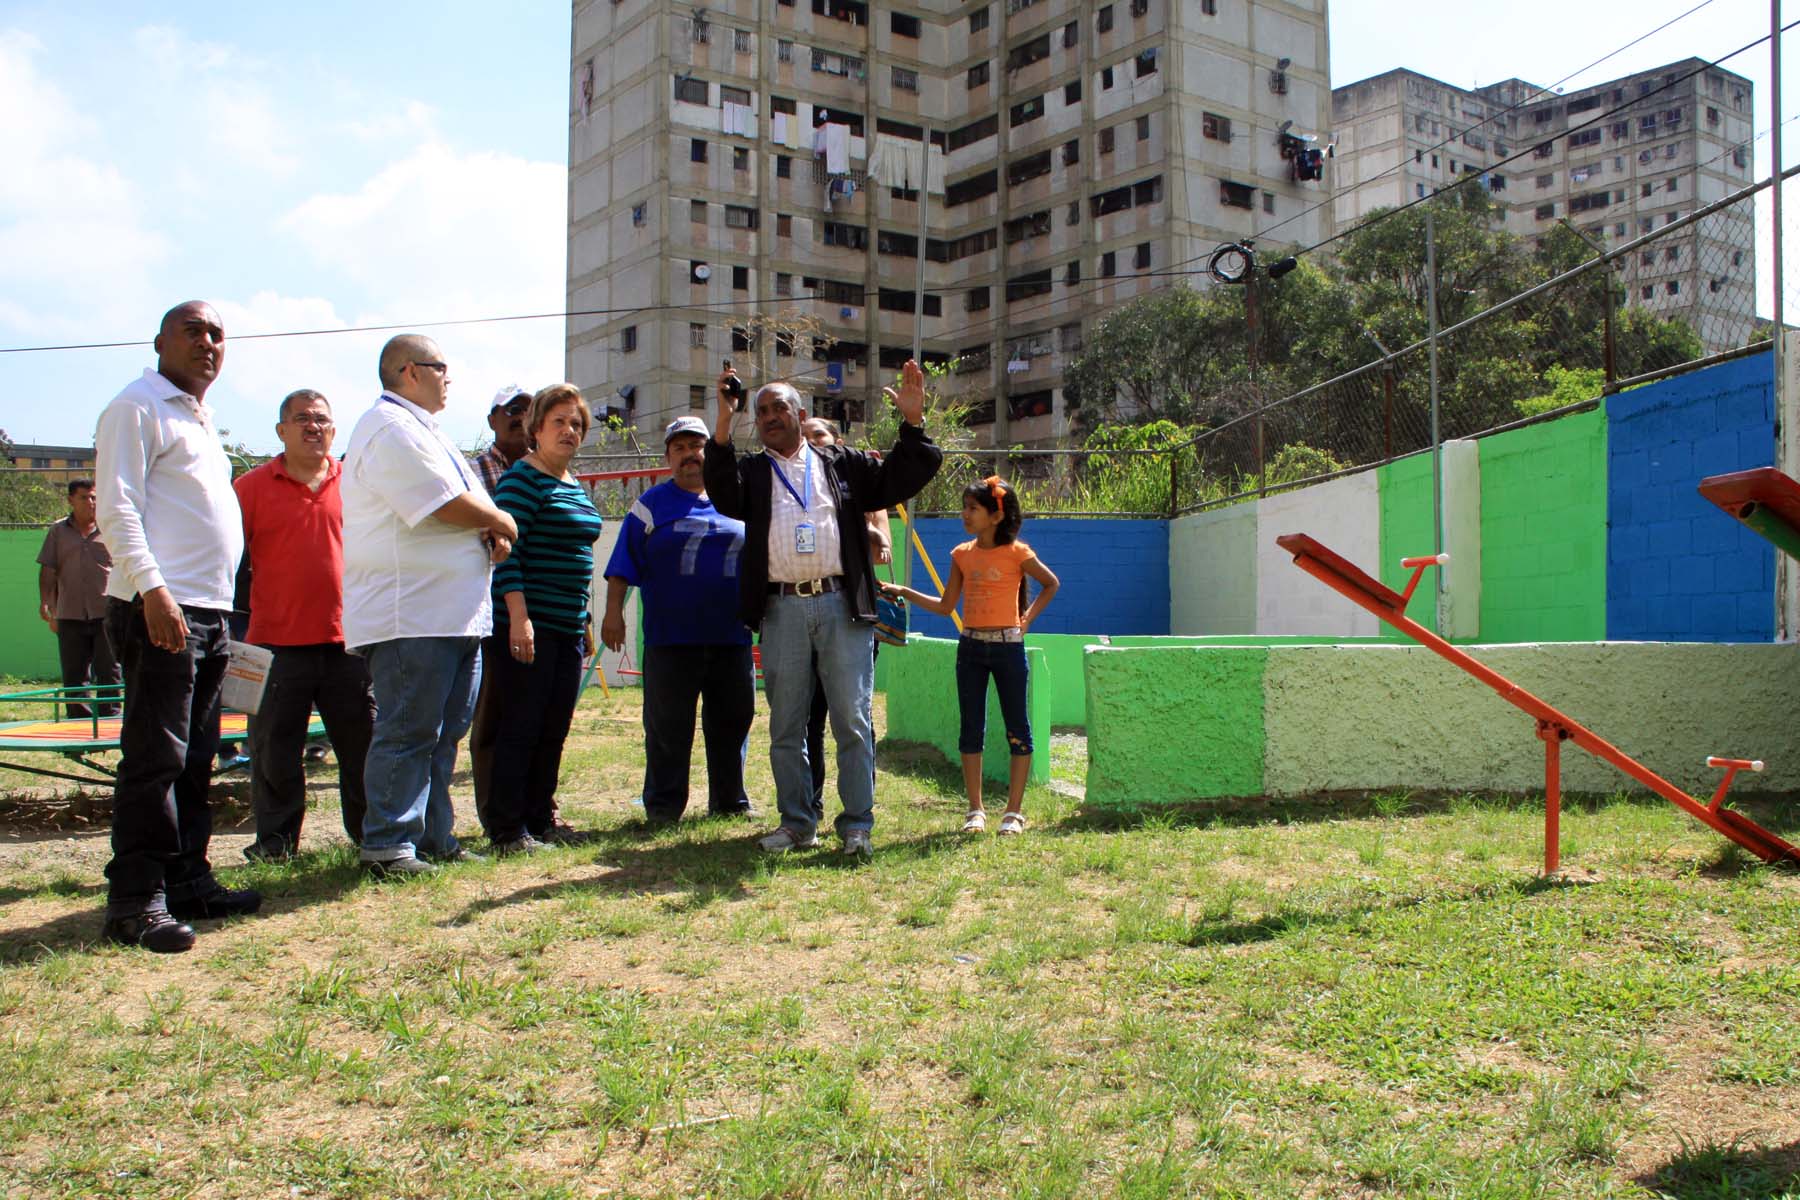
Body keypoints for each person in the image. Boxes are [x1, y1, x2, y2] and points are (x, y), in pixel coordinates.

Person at [704, 361, 942, 858]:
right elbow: (721, 490)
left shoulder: (841, 463)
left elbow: (901, 476)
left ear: (800, 412)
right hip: (782, 609)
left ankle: (857, 824)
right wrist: (725, 418)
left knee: (852, 720)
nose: (769, 416)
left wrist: (914, 424)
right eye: (761, 410)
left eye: (778, 407)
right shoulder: (751, 472)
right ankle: (797, 823)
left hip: (841, 605)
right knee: (787, 724)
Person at [92, 301, 259, 953]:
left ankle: (187, 877)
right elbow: (118, 508)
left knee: (195, 757)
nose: (208, 342)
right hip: (161, 607)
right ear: (159, 341)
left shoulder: (198, 417)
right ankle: (135, 901)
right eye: (193, 331)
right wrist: (154, 592)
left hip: (209, 611)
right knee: (156, 756)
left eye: (218, 334)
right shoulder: (137, 406)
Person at [341, 334, 517, 877]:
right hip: (411, 615)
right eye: (441, 368)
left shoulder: (425, 430)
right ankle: (387, 844)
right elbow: (442, 504)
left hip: (453, 612)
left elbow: (470, 505)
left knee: (443, 734)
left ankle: (433, 837)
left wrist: (491, 532)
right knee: (409, 730)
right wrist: (502, 522)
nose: (448, 379)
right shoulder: (388, 427)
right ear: (409, 371)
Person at [233, 389, 376, 860]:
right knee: (275, 751)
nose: (313, 427)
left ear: (334, 431)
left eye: (322, 420)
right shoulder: (249, 488)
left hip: (348, 643)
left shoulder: (359, 484)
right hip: (274, 644)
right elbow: (229, 562)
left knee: (361, 749)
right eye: (301, 419)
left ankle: (370, 839)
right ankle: (275, 845)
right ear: (281, 430)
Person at [881, 477, 1059, 836]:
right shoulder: (961, 554)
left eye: (972, 508)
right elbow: (947, 606)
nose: (965, 514)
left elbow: (1050, 583)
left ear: (995, 515)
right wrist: (904, 591)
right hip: (971, 649)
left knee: (1017, 727)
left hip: (1009, 649)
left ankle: (1014, 812)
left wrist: (1026, 620)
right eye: (964, 507)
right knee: (970, 728)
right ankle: (975, 809)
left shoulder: (1018, 553)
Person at [601, 415, 755, 825]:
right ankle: (664, 806)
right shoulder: (651, 504)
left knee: (733, 721)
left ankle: (729, 801)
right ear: (668, 457)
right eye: (680, 448)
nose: (690, 455)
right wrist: (612, 612)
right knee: (668, 728)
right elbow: (622, 565)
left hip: (731, 636)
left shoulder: (738, 500)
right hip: (671, 639)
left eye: (697, 446)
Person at [484, 384, 603, 854]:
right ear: (536, 429)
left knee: (554, 725)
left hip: (568, 626)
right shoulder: (521, 480)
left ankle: (540, 818)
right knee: (521, 724)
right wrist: (519, 616)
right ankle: (507, 829)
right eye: (559, 422)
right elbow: (505, 554)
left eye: (576, 424)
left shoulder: (572, 483)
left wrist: (585, 622)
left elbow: (576, 559)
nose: (569, 431)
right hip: (527, 625)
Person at [798, 417, 891, 821]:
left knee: (854, 716)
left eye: (818, 435)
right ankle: (810, 805)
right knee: (808, 718)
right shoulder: (792, 489)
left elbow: (878, 549)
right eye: (804, 438)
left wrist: (867, 531)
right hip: (802, 615)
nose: (811, 442)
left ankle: (859, 810)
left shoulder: (861, 487)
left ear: (837, 441)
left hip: (851, 614)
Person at [36, 478, 121, 719]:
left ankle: (110, 721)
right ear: (70, 500)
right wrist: (46, 603)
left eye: (94, 497)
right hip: (69, 612)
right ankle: (79, 725)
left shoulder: (112, 529)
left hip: (106, 613)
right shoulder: (58, 531)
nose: (90, 502)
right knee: (75, 674)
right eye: (84, 497)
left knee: (109, 671)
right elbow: (48, 569)